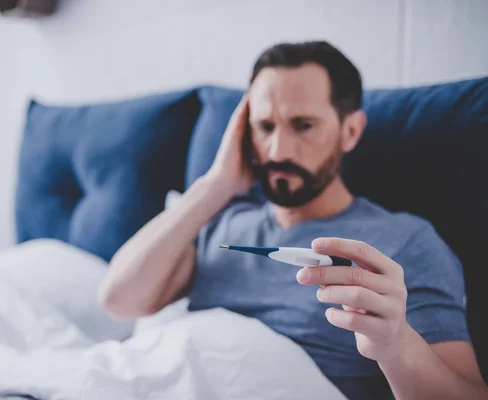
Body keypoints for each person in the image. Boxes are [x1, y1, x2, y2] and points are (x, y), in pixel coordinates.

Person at [97, 41, 488, 399]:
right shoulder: (223, 224)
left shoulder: (406, 243)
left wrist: (394, 341)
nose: (279, 149)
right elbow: (118, 299)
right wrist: (215, 185)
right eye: (265, 127)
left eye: (303, 125)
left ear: (350, 130)